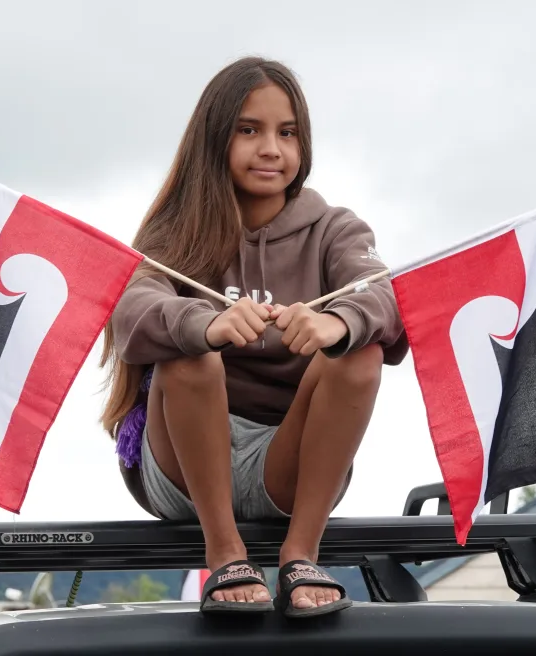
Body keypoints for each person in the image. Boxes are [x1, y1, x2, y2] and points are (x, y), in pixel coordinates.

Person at [99, 56, 406, 618]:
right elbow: (129, 310)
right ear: (214, 138)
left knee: (360, 353)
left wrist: (336, 324)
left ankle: (302, 553)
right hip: (184, 469)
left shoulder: (336, 229)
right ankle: (223, 552)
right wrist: (206, 324)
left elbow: (383, 296)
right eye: (249, 130)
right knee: (190, 354)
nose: (271, 148)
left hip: (288, 469)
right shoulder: (175, 231)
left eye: (287, 133)